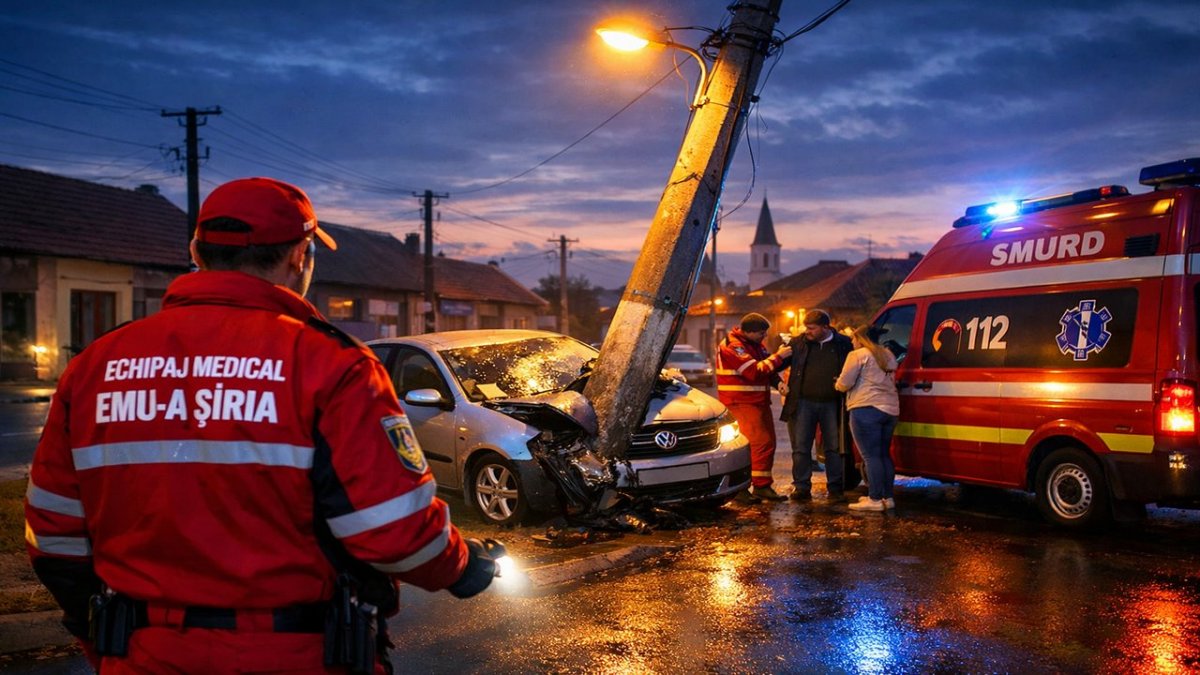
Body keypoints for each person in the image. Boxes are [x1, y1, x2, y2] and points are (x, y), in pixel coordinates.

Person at [24, 177, 497, 673]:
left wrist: (104, 631)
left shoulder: (96, 364)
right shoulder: (333, 365)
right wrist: (463, 565)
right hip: (296, 653)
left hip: (140, 654)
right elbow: (392, 530)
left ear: (196, 251)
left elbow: (53, 533)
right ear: (300, 257)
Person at [715, 313, 792, 501]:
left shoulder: (755, 345)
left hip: (757, 401)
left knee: (767, 443)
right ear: (747, 331)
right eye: (761, 333)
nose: (764, 337)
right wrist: (779, 356)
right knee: (757, 443)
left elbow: (767, 369)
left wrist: (778, 383)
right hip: (740, 402)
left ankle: (762, 486)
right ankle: (742, 488)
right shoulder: (733, 346)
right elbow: (753, 371)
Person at [779, 309, 854, 502]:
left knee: (834, 447)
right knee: (801, 447)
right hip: (803, 402)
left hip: (832, 403)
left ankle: (836, 488)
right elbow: (776, 363)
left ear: (825, 327)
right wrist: (777, 383)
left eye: (811, 328)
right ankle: (802, 487)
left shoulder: (844, 344)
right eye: (806, 328)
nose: (807, 332)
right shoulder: (798, 343)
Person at [837, 325, 900, 512]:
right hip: (890, 409)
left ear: (861, 339)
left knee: (870, 456)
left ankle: (874, 499)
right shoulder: (888, 354)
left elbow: (844, 383)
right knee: (883, 454)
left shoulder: (857, 355)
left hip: (866, 408)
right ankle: (887, 497)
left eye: (854, 339)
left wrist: (837, 385)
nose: (852, 342)